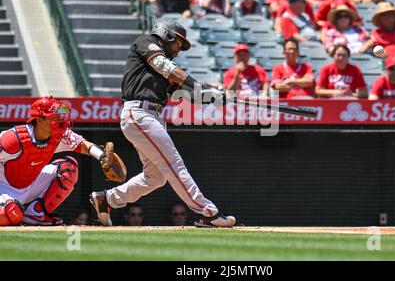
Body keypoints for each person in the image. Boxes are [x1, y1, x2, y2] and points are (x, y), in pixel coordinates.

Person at [89, 21, 236, 228]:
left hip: (152, 116)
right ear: (166, 35)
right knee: (174, 163)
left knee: (155, 177)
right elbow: (167, 68)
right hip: (139, 113)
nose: (179, 49)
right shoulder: (146, 43)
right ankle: (206, 212)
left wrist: (217, 95)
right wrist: (201, 86)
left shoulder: (169, 70)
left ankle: (108, 199)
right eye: (178, 43)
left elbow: (191, 94)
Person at [0, 96, 122, 226]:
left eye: (61, 117)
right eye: (55, 117)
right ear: (40, 119)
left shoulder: (59, 135)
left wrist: (102, 157)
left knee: (68, 169)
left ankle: (36, 214)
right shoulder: (13, 139)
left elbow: (84, 145)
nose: (61, 121)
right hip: (5, 187)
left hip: (32, 182)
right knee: (9, 214)